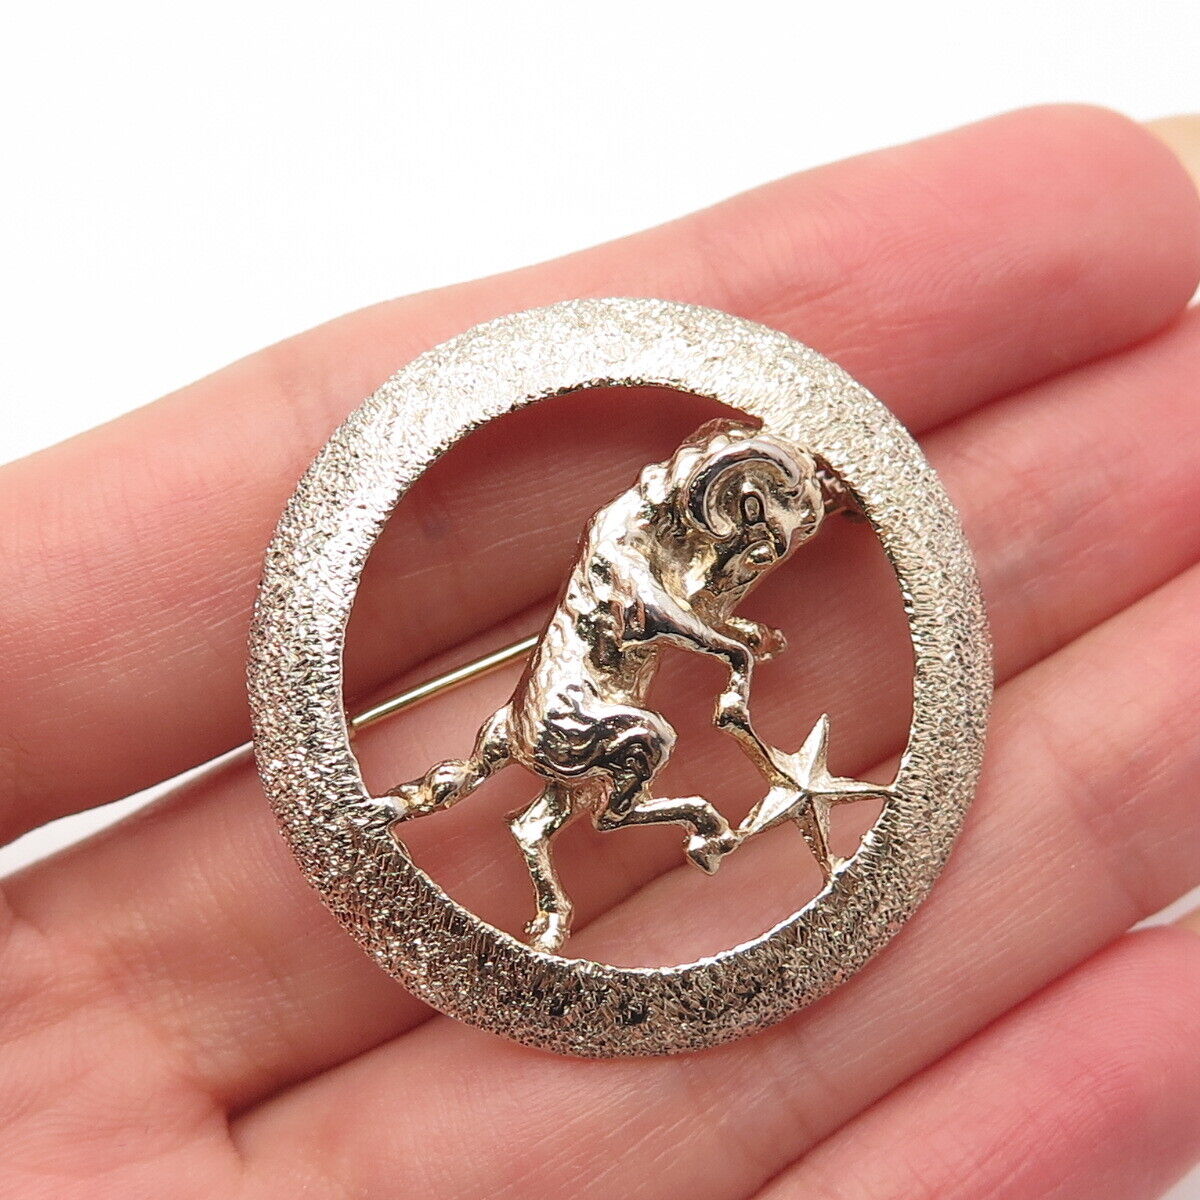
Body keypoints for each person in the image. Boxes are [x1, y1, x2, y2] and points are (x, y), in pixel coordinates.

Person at [2, 104, 1199, 1198]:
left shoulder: (669, 539)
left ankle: (551, 866)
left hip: (571, 699)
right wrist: (732, 647)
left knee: (545, 795)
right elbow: (662, 612)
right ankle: (659, 821)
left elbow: (695, 599)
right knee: (652, 741)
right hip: (581, 704)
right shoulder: (621, 540)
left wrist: (748, 603)